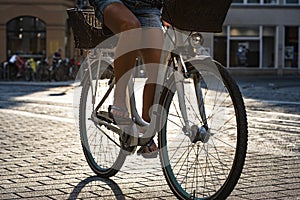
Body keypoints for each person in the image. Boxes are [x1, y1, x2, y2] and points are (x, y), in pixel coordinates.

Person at [88, 0, 164, 158]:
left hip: (148, 6)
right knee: (131, 27)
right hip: (114, 1)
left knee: (157, 68)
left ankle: (145, 132)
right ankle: (119, 100)